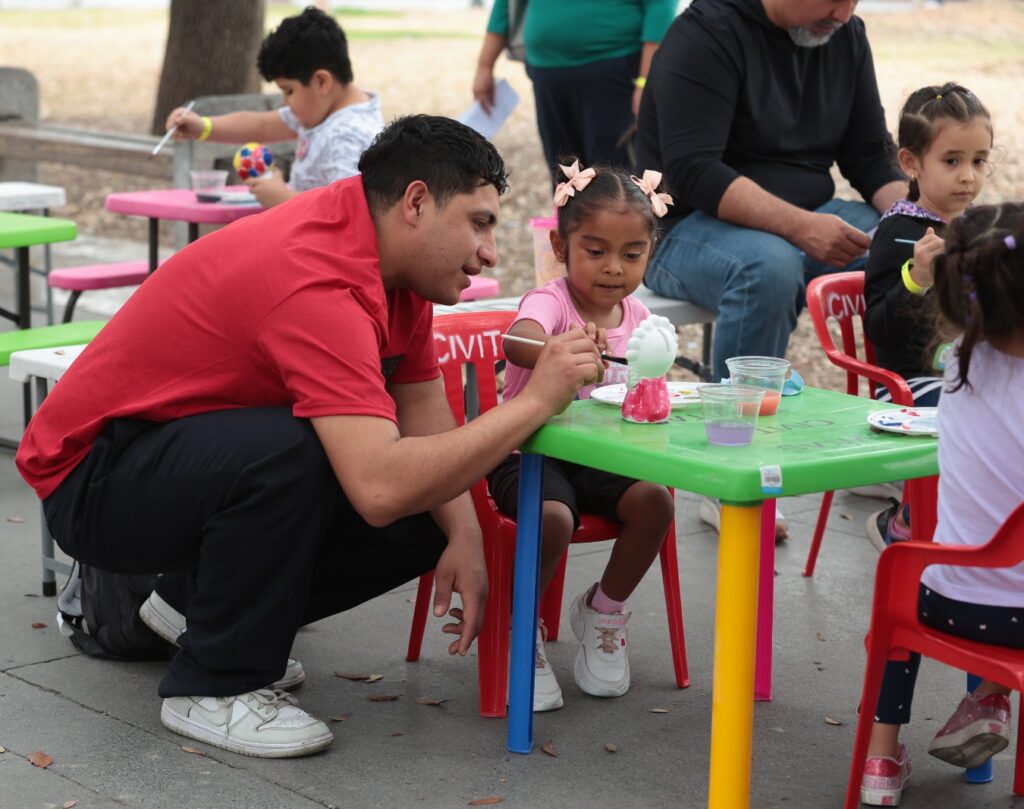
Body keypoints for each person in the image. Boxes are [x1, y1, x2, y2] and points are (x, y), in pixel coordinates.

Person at [15, 115, 606, 759]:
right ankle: (215, 685)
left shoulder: (393, 261)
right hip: (92, 477)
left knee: (435, 495)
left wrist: (464, 534)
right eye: (479, 223)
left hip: (179, 458)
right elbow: (377, 488)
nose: (490, 252)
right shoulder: (319, 276)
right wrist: (536, 402)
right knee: (302, 453)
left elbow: (420, 406)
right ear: (415, 203)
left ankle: (192, 611)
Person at [635, 0, 907, 384]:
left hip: (805, 216)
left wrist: (919, 219)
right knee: (768, 268)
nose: (844, 15)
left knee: (907, 244)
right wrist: (800, 227)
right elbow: (694, 172)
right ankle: (742, 413)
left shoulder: (847, 36)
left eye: (853, 1)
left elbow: (869, 152)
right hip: (683, 228)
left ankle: (912, 402)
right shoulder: (705, 34)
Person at [488, 160, 676, 711]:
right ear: (561, 246)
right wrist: (556, 349)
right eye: (595, 251)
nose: (613, 267)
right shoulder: (550, 302)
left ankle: (603, 610)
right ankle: (519, 626)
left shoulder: (637, 316)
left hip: (599, 457)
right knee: (553, 517)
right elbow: (516, 341)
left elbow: (646, 390)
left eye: (632, 254)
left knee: (655, 502)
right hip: (526, 452)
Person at [858, 202, 1024, 806]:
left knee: (899, 585)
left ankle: (880, 761)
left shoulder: (952, 369)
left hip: (946, 603)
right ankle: (987, 697)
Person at [863, 83, 993, 551]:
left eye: (979, 160)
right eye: (952, 160)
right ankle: (903, 522)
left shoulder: (980, 230)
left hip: (969, 373)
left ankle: (990, 523)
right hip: (909, 382)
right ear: (911, 163)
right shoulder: (901, 231)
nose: (968, 177)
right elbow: (879, 329)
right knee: (971, 413)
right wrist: (917, 278)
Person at [164, 6, 383, 208]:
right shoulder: (325, 113)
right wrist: (202, 127)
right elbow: (262, 125)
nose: (284, 102)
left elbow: (350, 213)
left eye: (289, 91)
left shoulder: (346, 136)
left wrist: (283, 199)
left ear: (322, 82)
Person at [473, 0, 676, 179]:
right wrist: (485, 65)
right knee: (563, 172)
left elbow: (660, 6)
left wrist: (646, 81)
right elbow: (505, 5)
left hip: (614, 71)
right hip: (546, 73)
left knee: (614, 175)